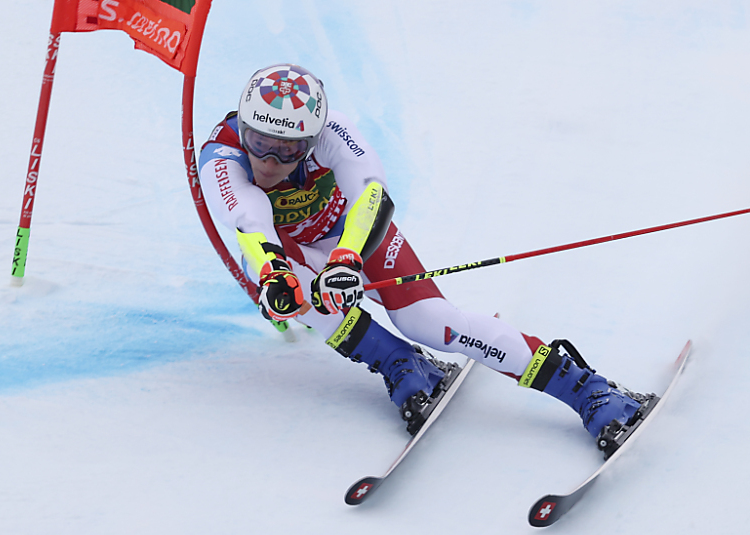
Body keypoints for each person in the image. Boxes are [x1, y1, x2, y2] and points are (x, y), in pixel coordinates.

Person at [199, 63, 650, 447]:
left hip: (351, 236)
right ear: (245, 126)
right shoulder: (222, 157)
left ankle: (587, 388)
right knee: (285, 290)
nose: (271, 162)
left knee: (432, 322)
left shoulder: (332, 132)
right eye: (260, 142)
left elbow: (372, 196)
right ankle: (399, 361)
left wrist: (346, 257)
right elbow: (250, 222)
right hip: (289, 250)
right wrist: (277, 275)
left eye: (289, 150)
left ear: (310, 141)